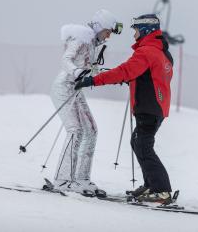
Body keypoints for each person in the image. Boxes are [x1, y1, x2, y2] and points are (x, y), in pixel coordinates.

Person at [75, 14, 174, 204]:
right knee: (138, 143)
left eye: (136, 30)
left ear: (145, 30)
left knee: (143, 147)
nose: (134, 34)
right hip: (154, 107)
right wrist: (135, 79)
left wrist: (93, 80)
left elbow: (124, 71)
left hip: (149, 107)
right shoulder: (161, 51)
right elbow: (149, 74)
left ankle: (162, 191)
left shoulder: (147, 51)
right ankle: (151, 185)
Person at [48, 9, 122, 196]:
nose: (108, 36)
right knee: (75, 130)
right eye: (108, 32)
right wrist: (76, 72)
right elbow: (66, 60)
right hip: (63, 87)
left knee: (91, 129)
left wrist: (116, 76)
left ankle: (81, 179)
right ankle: (63, 179)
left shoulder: (93, 44)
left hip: (76, 89)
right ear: (99, 27)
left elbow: (92, 70)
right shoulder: (81, 38)